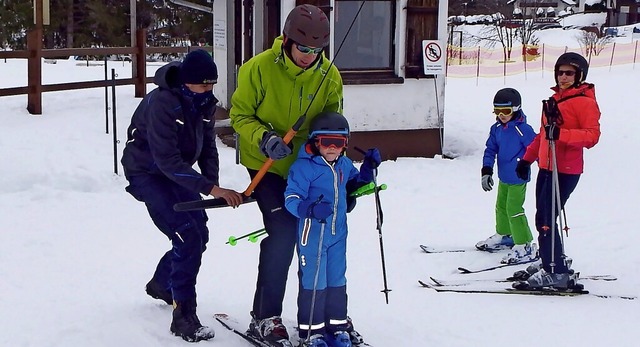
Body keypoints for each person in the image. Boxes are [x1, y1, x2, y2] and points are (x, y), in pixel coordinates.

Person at [228, 4, 363, 347]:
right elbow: (240, 116)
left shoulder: (329, 77)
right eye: (303, 48)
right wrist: (265, 138)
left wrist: (342, 182)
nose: (309, 56)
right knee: (287, 231)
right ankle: (265, 316)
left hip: (310, 167)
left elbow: (335, 129)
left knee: (322, 239)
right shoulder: (258, 69)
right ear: (288, 40)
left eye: (317, 50)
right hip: (267, 165)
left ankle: (324, 315)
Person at [121, 49, 243, 342]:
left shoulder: (204, 103)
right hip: (147, 172)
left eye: (212, 85)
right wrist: (212, 189)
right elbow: (166, 161)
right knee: (187, 235)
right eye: (203, 85)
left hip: (176, 172)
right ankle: (184, 318)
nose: (209, 91)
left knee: (199, 233)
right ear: (186, 82)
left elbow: (208, 148)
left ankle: (163, 285)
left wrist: (211, 186)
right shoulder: (162, 103)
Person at [283, 112, 381, 347]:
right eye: (327, 142)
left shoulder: (344, 164)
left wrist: (368, 168)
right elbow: (291, 198)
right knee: (314, 281)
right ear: (316, 142)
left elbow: (356, 186)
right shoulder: (304, 167)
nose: (332, 148)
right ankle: (312, 332)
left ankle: (337, 327)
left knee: (337, 279)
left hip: (338, 233)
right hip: (312, 234)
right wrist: (309, 209)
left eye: (339, 143)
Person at [514, 52, 601, 289]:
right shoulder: (554, 101)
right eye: (560, 72)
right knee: (542, 216)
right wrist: (526, 159)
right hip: (546, 166)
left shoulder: (585, 102)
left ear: (579, 75)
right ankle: (550, 259)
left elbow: (592, 136)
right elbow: (544, 135)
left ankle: (556, 270)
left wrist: (562, 135)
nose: (563, 77)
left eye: (569, 73)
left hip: (565, 170)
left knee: (546, 218)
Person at [475, 88, 537, 264]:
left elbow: (536, 149)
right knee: (501, 207)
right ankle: (505, 235)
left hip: (518, 177)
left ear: (516, 109)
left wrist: (544, 169)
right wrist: (486, 170)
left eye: (506, 111)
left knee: (514, 210)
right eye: (497, 111)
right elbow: (490, 149)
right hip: (504, 177)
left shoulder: (523, 129)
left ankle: (524, 243)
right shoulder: (496, 129)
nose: (501, 115)